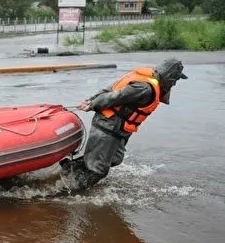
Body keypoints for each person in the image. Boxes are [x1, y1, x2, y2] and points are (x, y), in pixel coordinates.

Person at [60, 58, 188, 191]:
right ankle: (68, 192)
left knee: (116, 159)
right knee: (98, 171)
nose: (175, 83)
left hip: (119, 129)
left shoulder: (150, 82)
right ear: (169, 75)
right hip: (107, 126)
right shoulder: (145, 88)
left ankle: (69, 167)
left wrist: (92, 100)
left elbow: (110, 89)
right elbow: (113, 96)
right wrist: (92, 103)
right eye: (175, 79)